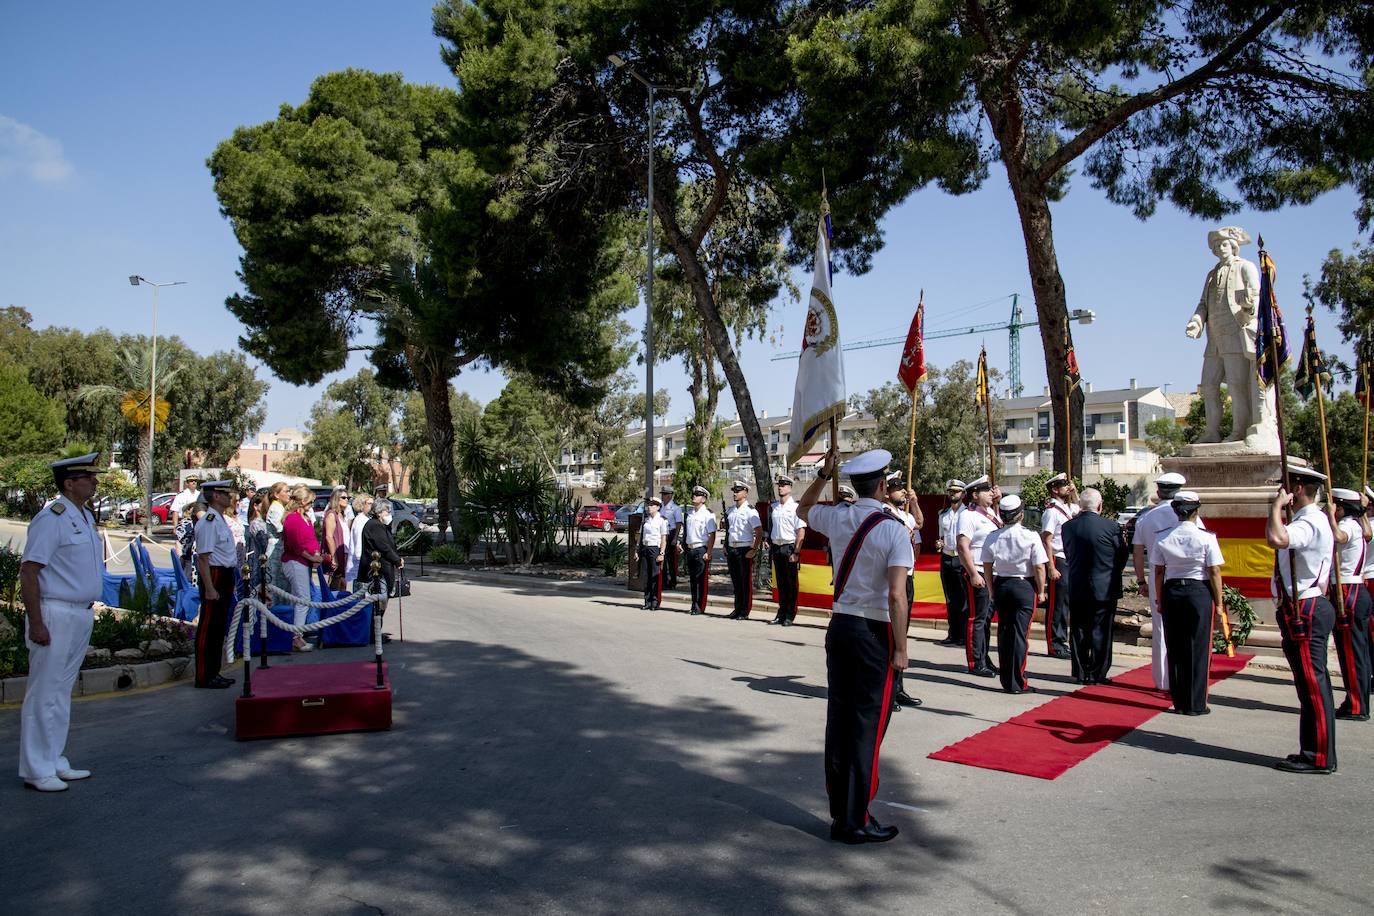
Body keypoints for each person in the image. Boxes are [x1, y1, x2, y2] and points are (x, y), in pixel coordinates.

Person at [798, 448, 912, 845]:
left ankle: (840, 812)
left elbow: (803, 509)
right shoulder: (893, 529)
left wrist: (821, 474)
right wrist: (901, 647)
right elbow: (897, 596)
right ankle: (856, 818)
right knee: (867, 728)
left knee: (840, 721)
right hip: (875, 633)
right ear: (882, 486)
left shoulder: (839, 517)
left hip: (841, 626)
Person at [17, 453, 103, 792]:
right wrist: (36, 622)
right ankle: (36, 768)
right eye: (88, 477)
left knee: (60, 692)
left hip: (79, 612)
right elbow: (29, 570)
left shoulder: (81, 516)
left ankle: (52, 758)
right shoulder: (51, 518)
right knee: (44, 693)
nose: (95, 481)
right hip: (55, 611)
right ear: (69, 483)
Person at [1266, 464, 1337, 774]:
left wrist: (1275, 509)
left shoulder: (1310, 522)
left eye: (1286, 486)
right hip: (1301, 605)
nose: (1281, 491)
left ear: (1296, 490)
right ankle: (1311, 749)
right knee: (1307, 686)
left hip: (1306, 607)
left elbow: (1277, 539)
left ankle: (1320, 756)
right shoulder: (1308, 520)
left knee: (1313, 684)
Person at [1150, 491, 1224, 714]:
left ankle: (1180, 701)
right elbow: (1214, 571)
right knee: (1199, 647)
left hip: (1172, 591)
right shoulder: (1206, 537)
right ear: (1197, 511)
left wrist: (1160, 599)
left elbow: (1159, 572)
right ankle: (1196, 703)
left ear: (1175, 511)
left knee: (1175, 647)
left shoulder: (1163, 537)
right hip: (1198, 591)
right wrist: (1219, 603)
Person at [980, 494, 1048, 694]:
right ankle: (1018, 681)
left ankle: (1007, 679)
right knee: (1020, 635)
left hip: (1002, 584)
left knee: (1004, 632)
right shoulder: (1030, 536)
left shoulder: (993, 536)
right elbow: (1039, 567)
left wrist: (992, 590)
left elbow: (987, 565)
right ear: (1021, 515)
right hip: (1023, 585)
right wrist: (1042, 591)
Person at [1061, 488, 1129, 686]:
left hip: (1078, 584)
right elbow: (1122, 555)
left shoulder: (1068, 527)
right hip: (1104, 585)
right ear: (1100, 506)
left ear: (1081, 506)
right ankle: (1097, 672)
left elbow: (1068, 552)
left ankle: (1081, 671)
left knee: (1079, 629)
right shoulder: (1112, 527)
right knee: (1102, 630)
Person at [1132, 472, 1189, 690]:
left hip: (1158, 575)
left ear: (1158, 492)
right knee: (1185, 628)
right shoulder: (1188, 514)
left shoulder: (1147, 517)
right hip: (1185, 575)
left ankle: (1163, 679)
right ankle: (1182, 676)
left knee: (1160, 628)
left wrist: (1140, 581)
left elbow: (1138, 552)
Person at [192, 480, 240, 689]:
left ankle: (214, 671)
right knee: (208, 627)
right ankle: (204, 675)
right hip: (215, 574)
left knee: (218, 626)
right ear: (215, 496)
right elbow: (203, 558)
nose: (230, 497)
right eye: (225, 493)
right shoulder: (209, 521)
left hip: (225, 573)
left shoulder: (219, 519)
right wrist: (210, 588)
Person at [1329, 488, 1371, 721]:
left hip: (1347, 590)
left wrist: (1330, 518)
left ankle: (1357, 704)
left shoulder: (1346, 525)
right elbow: (1367, 533)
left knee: (1351, 653)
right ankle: (1356, 700)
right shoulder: (1359, 525)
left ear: (1342, 508)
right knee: (1357, 651)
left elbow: (1339, 537)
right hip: (1354, 589)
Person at [883, 475, 922, 709]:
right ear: (887, 492)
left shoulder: (905, 515)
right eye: (897, 489)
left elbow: (919, 522)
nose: (902, 493)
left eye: (902, 488)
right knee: (891, 637)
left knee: (901, 635)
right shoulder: (885, 514)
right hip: (892, 578)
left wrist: (915, 501)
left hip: (907, 577)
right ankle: (887, 690)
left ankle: (898, 688)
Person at [956, 476, 1001, 676]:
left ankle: (984, 656)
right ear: (975, 495)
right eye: (986, 490)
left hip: (992, 572)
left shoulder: (990, 512)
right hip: (978, 570)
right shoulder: (968, 515)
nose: (991, 492)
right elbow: (962, 546)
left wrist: (998, 504)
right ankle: (975, 661)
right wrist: (973, 572)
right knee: (977, 618)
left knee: (986, 618)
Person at [1039, 472, 1079, 660]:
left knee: (1065, 603)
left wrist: (1075, 492)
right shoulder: (1051, 511)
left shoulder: (1067, 507)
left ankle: (1061, 640)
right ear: (1055, 489)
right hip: (1057, 558)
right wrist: (1050, 566)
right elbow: (1046, 539)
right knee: (1057, 605)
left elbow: (1082, 510)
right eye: (1064, 485)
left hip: (1069, 558)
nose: (1067, 487)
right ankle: (1055, 643)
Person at [281, 485, 323, 653]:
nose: (312, 506)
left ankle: (297, 634)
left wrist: (316, 554)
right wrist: (312, 557)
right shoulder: (292, 519)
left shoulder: (304, 517)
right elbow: (295, 545)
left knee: (301, 599)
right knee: (302, 599)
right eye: (310, 502)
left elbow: (310, 539)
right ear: (302, 501)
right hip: (295, 562)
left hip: (303, 562)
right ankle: (296, 637)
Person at [360, 499, 404, 641]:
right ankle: (374, 633)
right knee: (379, 602)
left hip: (383, 568)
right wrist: (396, 560)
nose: (389, 514)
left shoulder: (379, 525)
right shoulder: (375, 526)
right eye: (387, 511)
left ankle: (376, 631)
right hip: (377, 570)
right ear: (379, 512)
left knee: (381, 602)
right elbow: (383, 546)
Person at [767, 475, 806, 627]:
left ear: (790, 488)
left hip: (789, 547)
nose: (780, 487)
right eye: (779, 485)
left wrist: (796, 552)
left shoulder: (796, 507)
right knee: (781, 584)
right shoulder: (774, 507)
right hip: (777, 547)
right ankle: (781, 612)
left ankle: (790, 614)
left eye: (783, 485)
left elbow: (801, 531)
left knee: (791, 584)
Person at [935, 479, 967, 648]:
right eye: (950, 491)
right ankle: (952, 633)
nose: (952, 494)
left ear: (963, 494)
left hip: (961, 558)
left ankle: (963, 634)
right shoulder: (943, 514)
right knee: (950, 598)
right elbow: (941, 536)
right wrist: (939, 543)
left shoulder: (967, 513)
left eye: (956, 491)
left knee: (963, 598)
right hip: (947, 557)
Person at [724, 481, 762, 620]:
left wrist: (754, 548)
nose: (735, 493)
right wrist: (725, 546)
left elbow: (759, 531)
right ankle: (737, 608)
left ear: (745, 492)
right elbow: (729, 530)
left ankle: (744, 610)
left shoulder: (750, 510)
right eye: (734, 490)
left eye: (738, 490)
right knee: (735, 582)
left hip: (744, 548)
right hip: (732, 548)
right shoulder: (730, 510)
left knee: (744, 581)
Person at [681, 485, 718, 616]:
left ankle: (700, 606)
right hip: (690, 549)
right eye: (694, 494)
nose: (694, 497)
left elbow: (712, 534)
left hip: (701, 549)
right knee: (692, 579)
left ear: (703, 499)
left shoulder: (707, 514)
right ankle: (693, 604)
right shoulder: (690, 514)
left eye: (697, 495)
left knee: (700, 579)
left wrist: (709, 551)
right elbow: (687, 532)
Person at [634, 495, 668, 610]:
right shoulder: (646, 519)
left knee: (655, 576)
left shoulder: (662, 520)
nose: (649, 507)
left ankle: (655, 601)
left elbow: (663, 538)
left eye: (652, 505)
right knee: (646, 576)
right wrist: (637, 550)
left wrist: (661, 553)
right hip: (645, 548)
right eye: (649, 505)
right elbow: (640, 535)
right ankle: (647, 601)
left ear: (658, 507)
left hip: (655, 549)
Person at [263, 482, 290, 593]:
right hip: (276, 551)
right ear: (276, 494)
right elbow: (282, 529)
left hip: (281, 550)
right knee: (275, 588)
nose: (289, 494)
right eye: (286, 491)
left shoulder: (281, 508)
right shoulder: (275, 509)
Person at [322, 490, 350, 592]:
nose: (347, 500)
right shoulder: (331, 515)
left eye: (348, 498)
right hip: (337, 554)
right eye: (343, 497)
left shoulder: (342, 515)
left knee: (342, 583)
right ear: (336, 499)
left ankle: (340, 607)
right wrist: (334, 558)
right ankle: (332, 606)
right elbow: (329, 537)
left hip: (345, 552)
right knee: (335, 583)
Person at [345, 494, 375, 587]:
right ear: (362, 504)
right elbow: (359, 541)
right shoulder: (360, 521)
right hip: (360, 564)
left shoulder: (366, 519)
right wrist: (361, 559)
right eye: (369, 503)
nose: (372, 506)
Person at [659, 485, 682, 590]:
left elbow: (678, 524)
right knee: (661, 558)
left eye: (664, 494)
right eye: (662, 494)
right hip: (662, 534)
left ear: (669, 495)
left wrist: (675, 538)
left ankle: (672, 582)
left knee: (671, 560)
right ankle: (663, 581)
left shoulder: (676, 508)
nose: (662, 496)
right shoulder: (660, 507)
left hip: (671, 532)